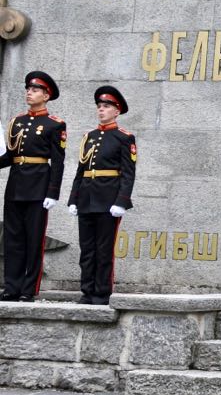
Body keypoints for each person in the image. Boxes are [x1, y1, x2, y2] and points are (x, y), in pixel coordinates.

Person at [67, 86, 137, 305]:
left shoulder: (124, 137)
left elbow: (128, 174)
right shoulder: (89, 137)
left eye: (106, 106)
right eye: (99, 106)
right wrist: (73, 199)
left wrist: (121, 201)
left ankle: (102, 292)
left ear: (117, 111)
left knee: (103, 249)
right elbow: (81, 171)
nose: (101, 110)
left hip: (108, 201)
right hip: (86, 199)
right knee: (87, 249)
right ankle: (87, 291)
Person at [0, 71, 65, 302]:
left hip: (38, 187)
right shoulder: (16, 122)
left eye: (35, 90)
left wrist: (53, 192)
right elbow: (10, 156)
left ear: (46, 96)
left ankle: (28, 289)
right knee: (12, 239)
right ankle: (12, 287)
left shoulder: (54, 124)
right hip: (15, 186)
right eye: (28, 89)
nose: (29, 93)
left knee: (34, 239)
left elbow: (58, 162)